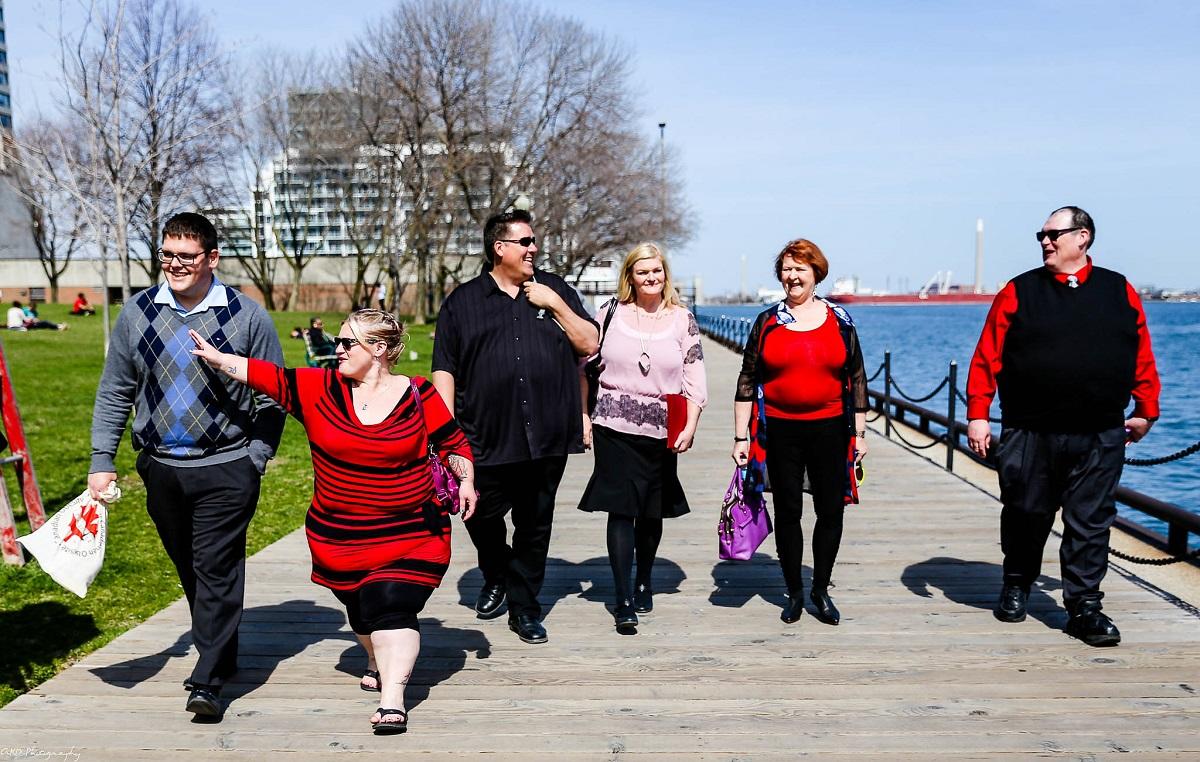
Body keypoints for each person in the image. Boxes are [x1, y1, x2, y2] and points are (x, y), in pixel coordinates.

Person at [190, 309, 477, 734]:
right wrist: (217, 358)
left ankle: (393, 701)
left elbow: (453, 444)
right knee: (361, 611)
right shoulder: (317, 388)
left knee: (391, 604)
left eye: (347, 343)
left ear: (379, 349)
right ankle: (375, 657)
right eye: (338, 342)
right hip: (340, 537)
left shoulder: (419, 394)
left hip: (413, 531)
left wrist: (465, 480)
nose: (337, 350)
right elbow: (263, 375)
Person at [87, 212, 287, 719]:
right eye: (167, 254)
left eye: (186, 256)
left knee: (215, 566)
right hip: (161, 467)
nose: (174, 264)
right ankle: (222, 649)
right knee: (190, 567)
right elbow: (115, 391)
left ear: (212, 258)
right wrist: (102, 459)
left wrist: (255, 458)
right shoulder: (138, 313)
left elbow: (274, 395)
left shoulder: (247, 316)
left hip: (226, 466)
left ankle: (208, 681)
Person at [966, 206, 1160, 647]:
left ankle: (1085, 608)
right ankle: (1017, 583)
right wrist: (978, 414)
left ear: (1083, 237)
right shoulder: (1018, 291)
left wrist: (1147, 408)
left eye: (1053, 234)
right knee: (1025, 513)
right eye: (1041, 235)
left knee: (1090, 521)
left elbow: (1140, 352)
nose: (1045, 242)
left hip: (1100, 432)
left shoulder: (1119, 290)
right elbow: (986, 356)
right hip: (1029, 430)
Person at [432, 209, 599, 645]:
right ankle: (497, 572)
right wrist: (445, 436)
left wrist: (555, 304)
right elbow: (445, 370)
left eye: (533, 241)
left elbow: (590, 343)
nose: (533, 248)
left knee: (534, 525)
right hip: (483, 434)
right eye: (525, 241)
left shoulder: (555, 289)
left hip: (547, 433)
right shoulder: (461, 303)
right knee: (480, 514)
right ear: (499, 247)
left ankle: (524, 608)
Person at [733, 239, 868, 626]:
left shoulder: (839, 320)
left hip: (831, 429)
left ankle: (820, 589)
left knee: (830, 510)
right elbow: (747, 378)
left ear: (816, 274)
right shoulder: (768, 322)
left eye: (800, 269)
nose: (792, 276)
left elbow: (857, 377)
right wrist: (740, 437)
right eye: (786, 269)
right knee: (788, 511)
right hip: (779, 430)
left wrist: (859, 434)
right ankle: (793, 592)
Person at [577, 242, 706, 633]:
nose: (651, 277)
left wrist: (691, 424)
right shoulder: (610, 313)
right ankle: (622, 598)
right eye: (643, 271)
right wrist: (583, 417)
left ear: (665, 274)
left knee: (651, 509)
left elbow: (694, 375)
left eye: (657, 270)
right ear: (630, 276)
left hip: (662, 427)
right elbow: (584, 367)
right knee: (621, 508)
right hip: (613, 425)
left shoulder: (682, 319)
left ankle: (645, 579)